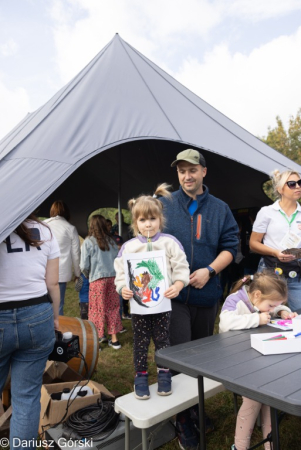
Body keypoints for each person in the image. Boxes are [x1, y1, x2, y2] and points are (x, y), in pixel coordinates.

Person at [160, 149, 239, 449]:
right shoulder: (164, 205)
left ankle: (193, 406)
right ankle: (182, 421)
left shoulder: (220, 209)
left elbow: (231, 246)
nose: (186, 176)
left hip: (207, 295)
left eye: (192, 170)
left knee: (202, 357)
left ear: (204, 172)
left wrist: (209, 270)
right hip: (174, 297)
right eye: (181, 171)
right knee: (179, 356)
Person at [114, 184, 190, 399]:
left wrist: (178, 284)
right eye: (142, 220)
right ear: (135, 222)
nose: (148, 224)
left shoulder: (169, 243)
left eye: (152, 219)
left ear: (160, 219)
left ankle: (164, 373)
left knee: (162, 338)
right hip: (139, 307)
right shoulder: (128, 247)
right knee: (140, 340)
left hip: (162, 305)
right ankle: (141, 376)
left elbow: (181, 267)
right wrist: (123, 288)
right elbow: (120, 272)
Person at [0, 213, 60, 448]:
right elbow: (52, 284)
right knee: (26, 397)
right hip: (38, 315)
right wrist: (55, 318)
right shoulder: (44, 230)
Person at [219, 270, 297, 450]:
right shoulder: (235, 301)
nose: (271, 310)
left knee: (271, 395)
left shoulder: (261, 300)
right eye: (271, 305)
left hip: (255, 361)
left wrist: (283, 311)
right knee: (254, 399)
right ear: (256, 295)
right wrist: (256, 319)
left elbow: (272, 306)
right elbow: (224, 323)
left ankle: (270, 445)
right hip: (235, 363)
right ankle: (240, 446)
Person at [250, 169, 301, 311]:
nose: (297, 187)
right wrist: (275, 252)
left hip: (296, 271)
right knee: (267, 314)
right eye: (291, 184)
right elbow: (253, 244)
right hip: (271, 269)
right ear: (280, 189)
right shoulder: (266, 212)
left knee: (299, 314)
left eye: (299, 183)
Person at [80, 215, 123, 349]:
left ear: (91, 225)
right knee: (113, 308)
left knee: (97, 310)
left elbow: (83, 266)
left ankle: (99, 337)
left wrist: (89, 276)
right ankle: (114, 339)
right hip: (113, 278)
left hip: (97, 280)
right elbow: (118, 260)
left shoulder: (88, 242)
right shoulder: (111, 241)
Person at [44, 200, 81, 315]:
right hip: (61, 272)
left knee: (43, 305)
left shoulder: (43, 225)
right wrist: (77, 273)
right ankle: (57, 331)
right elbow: (76, 253)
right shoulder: (70, 228)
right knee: (58, 305)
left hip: (42, 271)